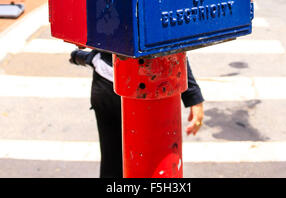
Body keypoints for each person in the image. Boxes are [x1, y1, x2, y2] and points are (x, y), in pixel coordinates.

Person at [70, 49, 204, 178]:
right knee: (148, 163)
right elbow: (168, 41)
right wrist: (193, 95)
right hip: (144, 87)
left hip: (107, 78)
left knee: (113, 164)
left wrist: (193, 95)